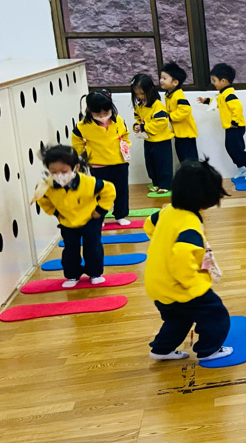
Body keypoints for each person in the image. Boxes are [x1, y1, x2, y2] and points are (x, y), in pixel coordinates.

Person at [145, 159, 233, 362]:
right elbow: (182, 257)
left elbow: (149, 224)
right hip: (180, 285)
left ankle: (161, 349)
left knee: (178, 317)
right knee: (215, 313)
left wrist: (163, 244)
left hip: (157, 283)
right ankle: (209, 350)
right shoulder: (189, 224)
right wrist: (195, 285)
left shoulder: (168, 210)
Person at [35, 145, 116, 288]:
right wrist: (56, 213)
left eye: (64, 171)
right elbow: (41, 198)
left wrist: (100, 210)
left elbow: (109, 190)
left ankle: (95, 273)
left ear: (76, 168)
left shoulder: (89, 183)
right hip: (68, 222)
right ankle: (72, 275)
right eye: (53, 172)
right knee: (70, 250)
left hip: (90, 219)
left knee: (93, 248)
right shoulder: (47, 186)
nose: (59, 175)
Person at [73, 90, 131, 226]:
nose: (103, 117)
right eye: (98, 114)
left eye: (106, 113)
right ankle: (100, 217)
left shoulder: (118, 121)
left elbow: (125, 134)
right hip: (98, 166)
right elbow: (77, 141)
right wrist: (84, 154)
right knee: (99, 193)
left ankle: (121, 215)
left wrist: (126, 145)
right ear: (90, 111)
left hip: (119, 163)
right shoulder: (83, 126)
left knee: (121, 191)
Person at [197, 63, 246, 180]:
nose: (213, 83)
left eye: (214, 80)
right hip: (229, 127)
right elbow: (218, 104)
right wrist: (206, 101)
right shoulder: (222, 94)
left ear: (223, 81)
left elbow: (237, 108)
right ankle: (241, 167)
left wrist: (235, 122)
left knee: (237, 149)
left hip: (236, 127)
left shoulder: (229, 95)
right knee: (230, 148)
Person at [131, 73, 174, 196]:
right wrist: (137, 126)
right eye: (137, 94)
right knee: (150, 163)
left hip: (161, 141)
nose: (139, 96)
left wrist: (144, 127)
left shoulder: (157, 105)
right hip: (149, 140)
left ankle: (165, 185)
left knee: (163, 164)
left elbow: (161, 123)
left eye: (142, 93)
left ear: (150, 90)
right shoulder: (140, 106)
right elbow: (138, 118)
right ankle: (156, 182)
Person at [160, 62, 199, 164]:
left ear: (175, 82)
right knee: (183, 159)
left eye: (164, 78)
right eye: (161, 78)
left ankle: (195, 174)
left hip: (186, 135)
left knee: (190, 161)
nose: (161, 80)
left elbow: (186, 109)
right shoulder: (169, 95)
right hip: (179, 134)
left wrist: (170, 116)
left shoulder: (178, 95)